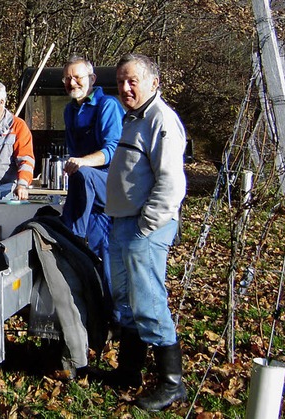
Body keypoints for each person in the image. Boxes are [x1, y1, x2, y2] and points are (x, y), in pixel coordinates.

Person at [99, 53, 187, 411]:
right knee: (126, 302)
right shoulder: (131, 119)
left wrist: (146, 224)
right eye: (121, 81)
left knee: (148, 302)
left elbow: (171, 183)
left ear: (153, 82)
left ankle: (171, 383)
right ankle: (129, 371)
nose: (125, 87)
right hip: (122, 224)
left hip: (144, 227)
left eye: (132, 80)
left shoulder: (161, 119)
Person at [59, 56, 125, 300]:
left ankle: (71, 234)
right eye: (68, 78)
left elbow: (113, 150)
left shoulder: (107, 106)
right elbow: (73, 152)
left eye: (78, 77)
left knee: (84, 174)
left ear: (92, 79)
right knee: (101, 251)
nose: (72, 82)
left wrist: (84, 162)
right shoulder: (70, 110)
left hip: (110, 182)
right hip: (89, 191)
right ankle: (105, 308)